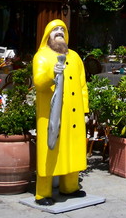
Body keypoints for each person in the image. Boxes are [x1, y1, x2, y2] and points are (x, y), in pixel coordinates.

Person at [33, 20, 89, 206]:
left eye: (62, 30)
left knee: (72, 148)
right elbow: (39, 83)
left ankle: (70, 186)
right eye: (55, 29)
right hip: (51, 115)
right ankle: (43, 192)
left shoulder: (75, 56)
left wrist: (85, 110)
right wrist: (51, 73)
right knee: (49, 150)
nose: (59, 32)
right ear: (47, 34)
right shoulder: (41, 56)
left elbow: (82, 86)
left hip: (74, 114)